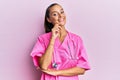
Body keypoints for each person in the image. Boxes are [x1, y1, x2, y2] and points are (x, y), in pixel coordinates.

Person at [30, 3, 91, 80]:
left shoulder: (76, 40)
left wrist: (56, 72)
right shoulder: (42, 39)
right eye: (55, 14)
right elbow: (44, 66)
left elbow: (82, 69)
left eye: (62, 12)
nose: (61, 15)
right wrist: (52, 39)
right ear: (49, 19)